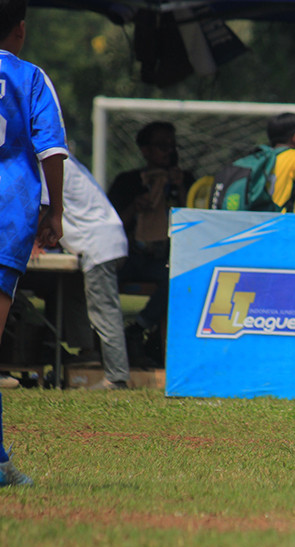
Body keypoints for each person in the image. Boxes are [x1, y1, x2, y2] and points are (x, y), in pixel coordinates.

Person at [0, 0, 68, 485]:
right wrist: (54, 210)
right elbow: (52, 148)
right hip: (5, 210)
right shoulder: (31, 77)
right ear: (20, 30)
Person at [108, 121, 194, 365]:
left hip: (166, 258)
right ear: (145, 150)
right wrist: (135, 207)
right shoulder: (127, 181)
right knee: (101, 277)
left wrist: (179, 188)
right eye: (161, 146)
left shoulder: (185, 179)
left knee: (180, 279)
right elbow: (110, 224)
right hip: (131, 255)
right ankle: (108, 342)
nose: (168, 151)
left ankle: (139, 329)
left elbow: (196, 221)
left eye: (171, 146)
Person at [54, 156, 131, 389]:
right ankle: (87, 352)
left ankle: (116, 377)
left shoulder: (52, 165)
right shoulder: (66, 162)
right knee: (77, 295)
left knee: (104, 311)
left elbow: (43, 208)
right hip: (104, 242)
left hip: (99, 247)